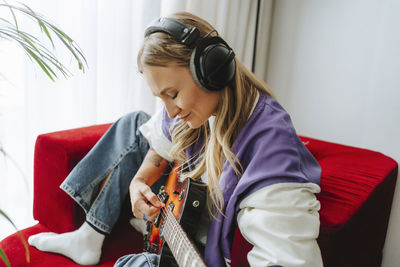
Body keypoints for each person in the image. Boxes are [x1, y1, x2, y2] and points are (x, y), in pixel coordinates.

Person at [28, 12, 323, 267]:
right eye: (161, 97)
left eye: (173, 94)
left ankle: (90, 237)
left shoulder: (270, 149)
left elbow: (286, 253)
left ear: (213, 69)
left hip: (190, 243)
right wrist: (138, 182)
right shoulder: (195, 111)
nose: (170, 111)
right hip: (175, 206)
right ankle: (90, 234)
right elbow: (160, 144)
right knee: (136, 122)